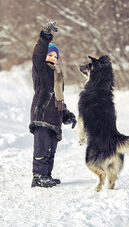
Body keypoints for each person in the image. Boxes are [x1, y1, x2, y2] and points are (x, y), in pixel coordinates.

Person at [29, 21, 77, 188]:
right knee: (42, 150)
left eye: (55, 56)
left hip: (54, 120)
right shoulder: (41, 71)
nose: (53, 58)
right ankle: (38, 176)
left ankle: (47, 175)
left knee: (51, 151)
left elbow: (59, 99)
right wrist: (45, 37)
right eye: (50, 55)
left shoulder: (58, 76)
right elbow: (37, 55)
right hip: (42, 116)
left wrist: (67, 115)